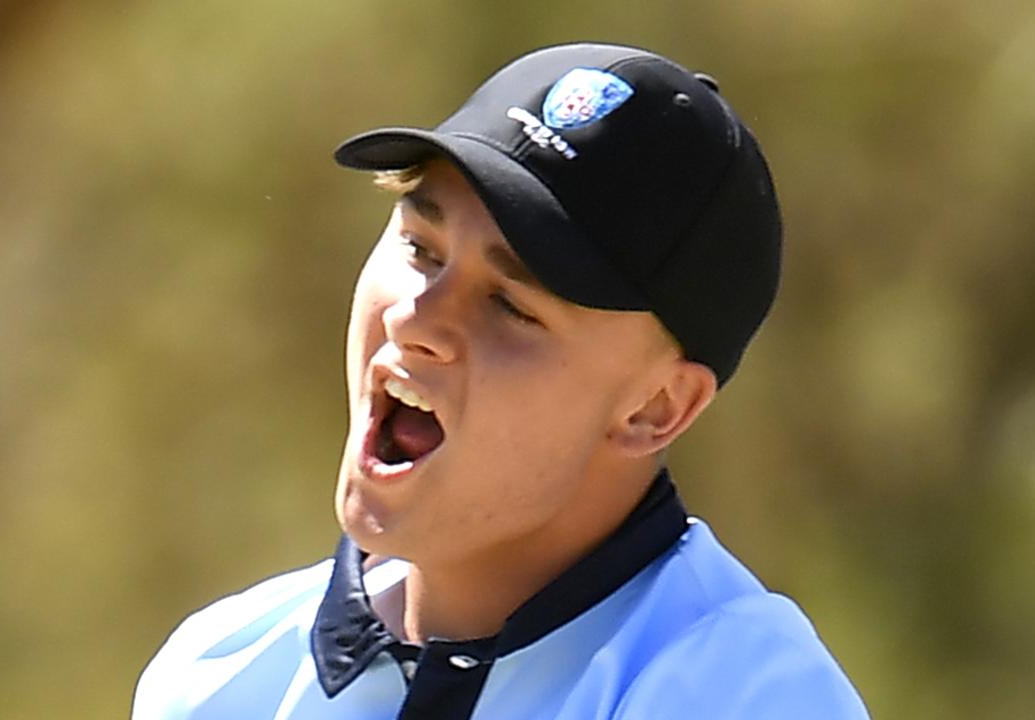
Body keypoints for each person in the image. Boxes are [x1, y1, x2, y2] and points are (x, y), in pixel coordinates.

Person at [132, 42, 870, 720]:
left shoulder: (740, 693)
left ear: (657, 406)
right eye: (421, 248)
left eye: (509, 305)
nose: (417, 321)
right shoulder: (216, 674)